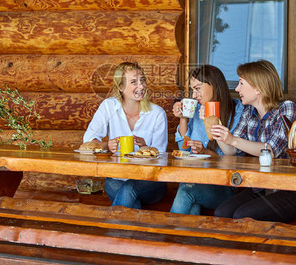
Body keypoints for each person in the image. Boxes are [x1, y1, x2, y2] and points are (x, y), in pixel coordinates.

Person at [210, 60, 296, 222]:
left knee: (242, 216)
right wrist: (213, 125)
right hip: (261, 188)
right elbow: (230, 151)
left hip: (290, 189)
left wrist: (233, 140)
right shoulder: (248, 112)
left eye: (241, 83)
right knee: (222, 213)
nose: (237, 89)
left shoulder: (286, 109)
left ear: (258, 88)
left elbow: (271, 151)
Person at [83, 62, 168, 209]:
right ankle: (133, 229)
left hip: (150, 181)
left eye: (142, 80)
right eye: (134, 82)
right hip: (117, 178)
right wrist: (107, 146)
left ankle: (113, 230)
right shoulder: (109, 107)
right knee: (128, 194)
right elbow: (89, 140)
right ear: (120, 87)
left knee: (129, 188)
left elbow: (160, 157)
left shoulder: (157, 114)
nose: (141, 86)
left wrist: (146, 147)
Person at [170, 65, 243, 215]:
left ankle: (167, 235)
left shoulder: (237, 110)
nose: (194, 94)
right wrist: (183, 118)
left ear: (214, 85)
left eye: (198, 88)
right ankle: (185, 237)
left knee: (186, 190)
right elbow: (183, 150)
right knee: (190, 194)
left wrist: (206, 151)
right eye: (192, 90)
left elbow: (235, 159)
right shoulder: (196, 110)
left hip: (224, 184)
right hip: (197, 179)